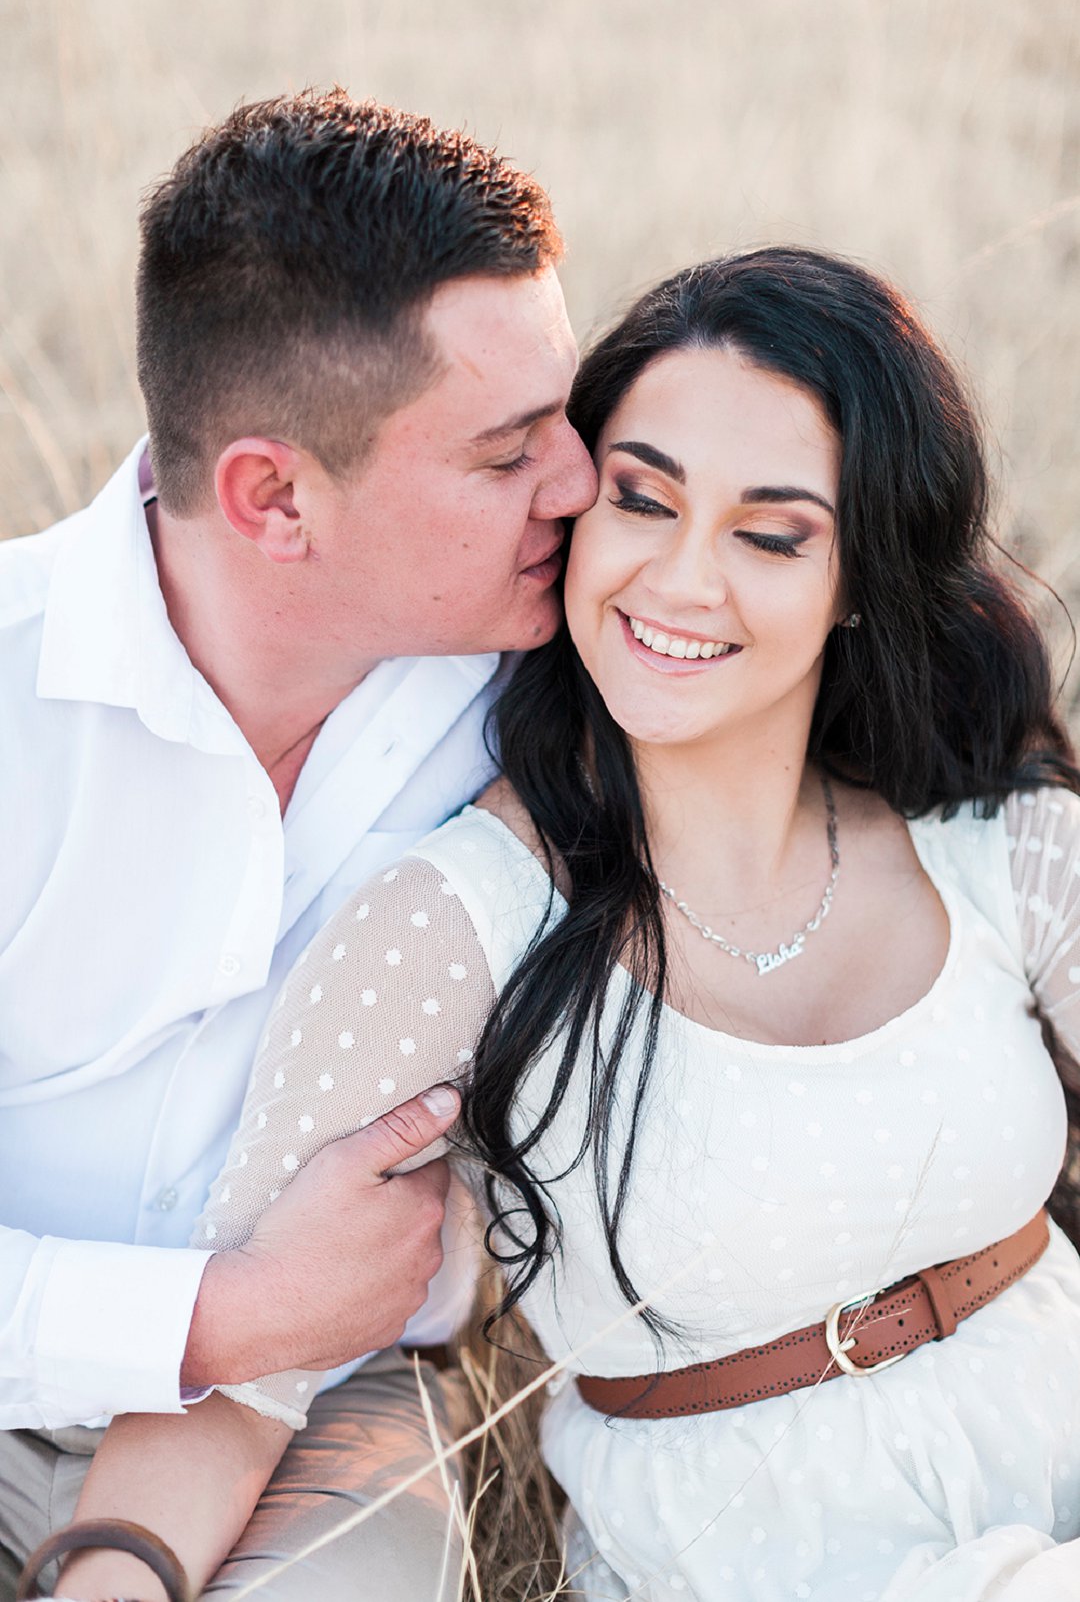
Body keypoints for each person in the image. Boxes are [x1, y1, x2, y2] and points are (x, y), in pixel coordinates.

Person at [42, 247, 1080, 1602]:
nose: (682, 579)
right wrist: (112, 1578)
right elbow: (250, 1374)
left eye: (771, 536)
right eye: (642, 500)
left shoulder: (1000, 845)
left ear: (862, 576)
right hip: (756, 1565)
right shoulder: (451, 929)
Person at [0, 88, 598, 1602]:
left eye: (567, 416)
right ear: (273, 498)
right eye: (506, 453)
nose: (580, 484)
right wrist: (232, 1311)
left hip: (330, 1407)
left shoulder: (558, 682)